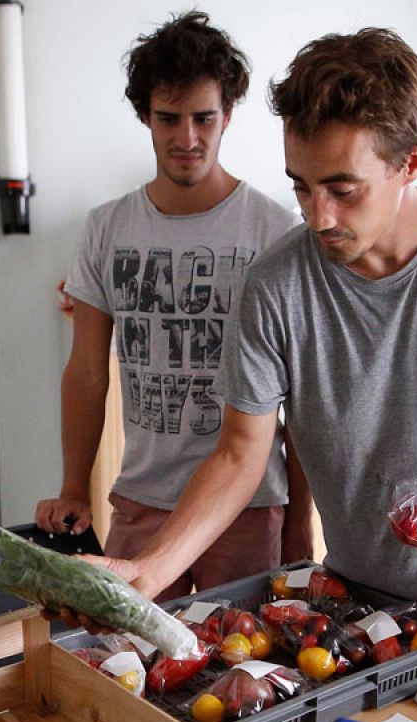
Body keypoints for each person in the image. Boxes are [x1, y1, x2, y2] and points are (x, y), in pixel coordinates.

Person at [96, 29, 417, 647]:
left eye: (343, 190)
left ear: (413, 162)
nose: (317, 216)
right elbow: (242, 454)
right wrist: (149, 569)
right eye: (300, 185)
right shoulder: (273, 285)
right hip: (369, 593)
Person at [33, 12, 309, 601]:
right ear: (145, 117)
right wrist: (74, 486)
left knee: (246, 675)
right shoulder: (108, 227)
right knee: (133, 669)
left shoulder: (275, 230)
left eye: (203, 118)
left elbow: (304, 394)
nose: (186, 139)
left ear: (228, 115)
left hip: (249, 506)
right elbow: (85, 372)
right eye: (168, 118)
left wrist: (302, 520)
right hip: (143, 497)